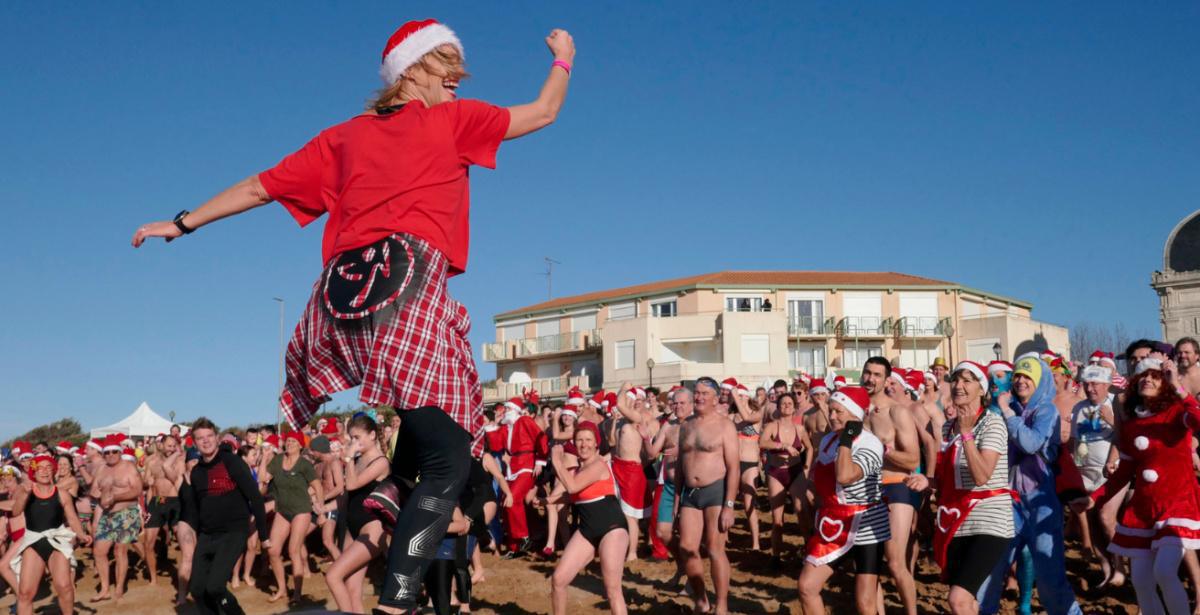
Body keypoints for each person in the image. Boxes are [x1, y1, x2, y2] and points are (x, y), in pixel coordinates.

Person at [131, 19, 574, 613]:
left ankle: (390, 498)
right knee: (451, 456)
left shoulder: (341, 137)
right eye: (448, 71)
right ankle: (395, 602)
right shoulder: (450, 121)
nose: (457, 84)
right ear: (411, 71)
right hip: (404, 287)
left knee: (422, 434)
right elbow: (544, 111)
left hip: (340, 299)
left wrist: (183, 223)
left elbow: (261, 187)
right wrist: (563, 59)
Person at [1082, 358, 1200, 615]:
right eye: (1142, 376)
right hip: (1143, 510)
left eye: (1154, 375)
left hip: (1178, 504)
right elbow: (1123, 472)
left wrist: (1178, 387)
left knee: (1164, 572)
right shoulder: (1133, 425)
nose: (1147, 379)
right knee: (1141, 581)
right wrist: (1095, 497)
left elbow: (1198, 419)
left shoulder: (1177, 413)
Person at [977, 355, 1084, 615]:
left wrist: (1007, 413)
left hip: (1041, 501)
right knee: (990, 570)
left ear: (1039, 381)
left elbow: (1030, 443)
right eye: (1018, 376)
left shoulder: (1046, 410)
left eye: (1028, 377)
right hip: (1008, 500)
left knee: (1049, 580)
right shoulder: (1006, 406)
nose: (1021, 381)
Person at [905, 362, 1015, 614]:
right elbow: (949, 478)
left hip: (989, 520)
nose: (958, 386)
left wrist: (967, 434)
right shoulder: (947, 427)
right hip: (956, 521)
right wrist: (929, 482)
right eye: (955, 379)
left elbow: (981, 476)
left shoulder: (993, 424)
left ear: (982, 389)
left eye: (967, 380)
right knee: (968, 601)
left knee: (958, 599)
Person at [797, 385, 890, 615]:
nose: (831, 416)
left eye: (838, 411)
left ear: (855, 414)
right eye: (831, 410)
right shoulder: (828, 440)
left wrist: (847, 439)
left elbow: (845, 476)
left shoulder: (870, 443)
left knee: (865, 603)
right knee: (807, 586)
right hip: (833, 523)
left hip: (866, 524)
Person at [178, 418, 270, 615]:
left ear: (217, 438)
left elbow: (255, 497)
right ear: (194, 443)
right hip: (207, 535)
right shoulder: (196, 472)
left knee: (215, 587)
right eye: (200, 438)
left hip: (233, 532)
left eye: (209, 436)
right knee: (197, 590)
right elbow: (195, 508)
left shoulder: (232, 462)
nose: (206, 441)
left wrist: (264, 536)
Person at [546, 421, 628, 615]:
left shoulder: (598, 465)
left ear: (596, 443)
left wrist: (557, 461)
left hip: (612, 528)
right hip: (587, 529)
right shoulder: (576, 471)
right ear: (574, 443)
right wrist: (546, 501)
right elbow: (573, 495)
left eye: (588, 440)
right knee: (558, 580)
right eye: (579, 440)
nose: (584, 444)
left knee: (612, 589)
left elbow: (573, 487)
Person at [860, 357, 920, 615]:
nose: (870, 379)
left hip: (896, 486)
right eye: (867, 373)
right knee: (869, 565)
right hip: (865, 489)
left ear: (886, 380)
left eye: (877, 375)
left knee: (895, 563)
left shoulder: (897, 412)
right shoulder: (856, 410)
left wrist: (881, 449)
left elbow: (913, 459)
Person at [676, 377, 739, 615]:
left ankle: (721, 604)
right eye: (697, 393)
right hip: (690, 494)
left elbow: (734, 467)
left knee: (714, 549)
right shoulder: (686, 425)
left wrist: (729, 505)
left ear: (715, 398)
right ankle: (701, 599)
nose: (699, 397)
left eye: (705, 393)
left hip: (716, 491)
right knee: (686, 547)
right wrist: (676, 501)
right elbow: (681, 465)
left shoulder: (725, 426)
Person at [326, 414, 393, 614]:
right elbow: (347, 495)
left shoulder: (381, 462)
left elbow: (352, 484)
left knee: (333, 576)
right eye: (352, 438)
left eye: (357, 437)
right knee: (351, 589)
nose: (354, 442)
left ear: (372, 435)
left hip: (372, 529)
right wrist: (324, 508)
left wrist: (347, 458)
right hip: (352, 527)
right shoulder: (356, 460)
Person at [9, 454, 91, 615]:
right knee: (25, 593)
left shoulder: (62, 493)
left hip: (57, 540)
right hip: (33, 542)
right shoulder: (25, 490)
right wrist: (25, 495)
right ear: (34, 472)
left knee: (65, 587)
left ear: (53, 471)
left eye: (48, 468)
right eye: (40, 468)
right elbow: (16, 511)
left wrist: (82, 534)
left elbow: (72, 518)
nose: (45, 471)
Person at [1069, 364, 1123, 584]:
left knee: (1106, 518)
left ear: (1107, 385)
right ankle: (1106, 568)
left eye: (1095, 384)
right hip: (1086, 473)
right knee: (1092, 523)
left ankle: (1120, 566)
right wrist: (1073, 467)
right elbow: (1074, 440)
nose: (1090, 388)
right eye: (1086, 384)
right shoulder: (1079, 408)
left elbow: (1127, 435)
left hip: (1111, 472)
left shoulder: (1116, 404)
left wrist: (1112, 420)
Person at [263, 430, 323, 603]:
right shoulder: (278, 460)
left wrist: (320, 510)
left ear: (300, 446)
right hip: (282, 510)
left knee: (293, 550)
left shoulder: (304, 464)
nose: (289, 443)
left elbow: (318, 486)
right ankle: (282, 589)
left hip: (301, 511)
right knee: (273, 551)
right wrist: (265, 457)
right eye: (288, 440)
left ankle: (297, 593)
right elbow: (264, 478)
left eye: (293, 441)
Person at [643, 386, 694, 584]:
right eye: (675, 403)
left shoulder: (696, 424)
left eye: (682, 403)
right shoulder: (668, 425)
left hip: (689, 486)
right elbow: (652, 454)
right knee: (662, 532)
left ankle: (691, 578)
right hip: (671, 484)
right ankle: (681, 565)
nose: (678, 406)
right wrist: (645, 438)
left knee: (687, 535)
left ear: (690, 404)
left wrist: (684, 449)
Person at [760, 391, 813, 567]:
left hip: (795, 471)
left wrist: (807, 467)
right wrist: (783, 445)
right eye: (783, 403)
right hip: (776, 472)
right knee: (777, 520)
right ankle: (776, 556)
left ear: (794, 407)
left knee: (802, 510)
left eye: (790, 403)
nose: (787, 406)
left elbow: (809, 448)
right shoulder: (772, 426)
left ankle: (809, 550)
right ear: (778, 407)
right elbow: (762, 442)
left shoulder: (799, 428)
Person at [91, 434, 142, 603]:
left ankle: (119, 588)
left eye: (114, 451)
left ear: (120, 452)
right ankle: (105, 589)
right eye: (107, 452)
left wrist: (116, 497)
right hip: (107, 514)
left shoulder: (129, 467)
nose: (110, 455)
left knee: (119, 550)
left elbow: (137, 490)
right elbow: (94, 490)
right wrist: (101, 495)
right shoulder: (101, 469)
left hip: (127, 513)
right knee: (99, 551)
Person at [500, 396, 549, 557]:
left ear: (515, 410)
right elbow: (495, 444)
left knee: (513, 499)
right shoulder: (507, 426)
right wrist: (494, 426)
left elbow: (541, 437)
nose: (505, 411)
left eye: (508, 408)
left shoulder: (524, 420)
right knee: (505, 504)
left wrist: (540, 461)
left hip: (526, 465)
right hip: (512, 466)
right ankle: (514, 547)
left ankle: (523, 537)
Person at [609, 386, 651, 561]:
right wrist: (614, 422)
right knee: (619, 512)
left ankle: (632, 552)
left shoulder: (636, 418)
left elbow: (619, 403)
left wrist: (623, 387)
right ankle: (622, 546)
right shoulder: (621, 421)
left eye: (628, 399)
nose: (625, 402)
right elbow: (612, 442)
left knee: (630, 515)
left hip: (631, 469)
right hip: (618, 466)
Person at [728, 383, 764, 552]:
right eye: (737, 396)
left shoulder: (756, 414)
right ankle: (725, 537)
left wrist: (735, 396)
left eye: (741, 395)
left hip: (750, 464)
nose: (739, 398)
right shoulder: (731, 417)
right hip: (733, 463)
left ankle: (756, 542)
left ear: (747, 396)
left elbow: (747, 418)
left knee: (749, 504)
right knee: (727, 501)